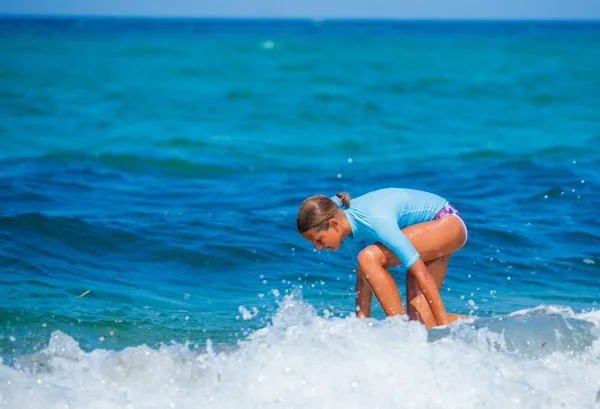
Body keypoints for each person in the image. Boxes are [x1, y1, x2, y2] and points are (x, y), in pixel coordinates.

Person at [296, 188, 467, 328]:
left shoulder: (375, 220)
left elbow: (421, 273)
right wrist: (360, 327)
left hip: (447, 222)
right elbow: (364, 280)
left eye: (318, 240)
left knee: (369, 257)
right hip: (431, 229)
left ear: (333, 224)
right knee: (422, 325)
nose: (317, 247)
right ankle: (482, 326)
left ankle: (401, 329)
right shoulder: (349, 232)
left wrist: (443, 328)